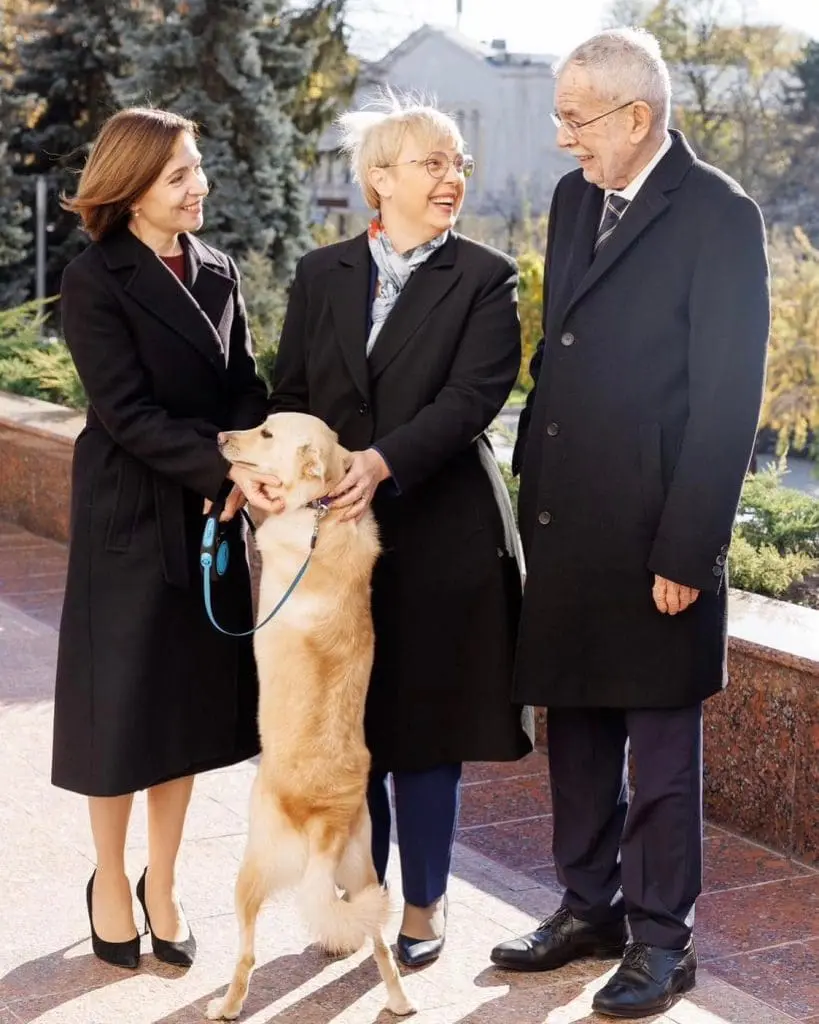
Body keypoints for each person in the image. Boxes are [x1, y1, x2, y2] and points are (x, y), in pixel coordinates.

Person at [489, 29, 770, 1019]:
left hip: (657, 532)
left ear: (636, 116)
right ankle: (588, 908)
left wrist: (689, 547)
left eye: (576, 119)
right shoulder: (575, 200)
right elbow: (562, 346)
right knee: (576, 728)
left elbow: (730, 398)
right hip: (567, 513)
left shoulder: (720, 215)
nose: (563, 138)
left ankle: (661, 939)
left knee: (658, 751)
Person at [270, 95, 533, 966]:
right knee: (350, 730)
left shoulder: (486, 276)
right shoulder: (322, 273)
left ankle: (425, 903)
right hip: (336, 545)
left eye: (458, 163)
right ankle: (359, 893)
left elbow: (472, 398)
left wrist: (380, 462)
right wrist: (285, 476)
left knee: (425, 731)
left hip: (441, 535)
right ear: (379, 178)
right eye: (432, 162)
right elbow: (291, 391)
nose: (452, 177)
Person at [53, 107, 280, 970]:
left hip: (209, 510)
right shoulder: (94, 277)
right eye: (180, 174)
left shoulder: (217, 269)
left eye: (198, 169)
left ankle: (164, 881)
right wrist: (223, 469)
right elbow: (124, 411)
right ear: (133, 185)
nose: (199, 187)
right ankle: (111, 878)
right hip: (129, 514)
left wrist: (249, 461)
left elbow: (244, 386)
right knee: (119, 712)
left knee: (182, 711)